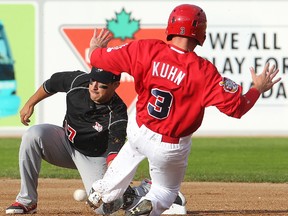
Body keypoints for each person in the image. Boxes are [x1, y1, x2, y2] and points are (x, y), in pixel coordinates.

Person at [86, 4, 281, 216]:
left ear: (171, 25)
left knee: (132, 149)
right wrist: (257, 89)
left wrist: (96, 47)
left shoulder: (145, 49)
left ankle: (102, 191)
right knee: (166, 190)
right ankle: (147, 207)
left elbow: (97, 59)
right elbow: (238, 108)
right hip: (169, 146)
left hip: (139, 127)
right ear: (200, 32)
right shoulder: (204, 71)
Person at [5, 67, 128, 214]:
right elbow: (51, 84)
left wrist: (109, 179)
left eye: (102, 84)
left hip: (93, 158)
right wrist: (30, 103)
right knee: (32, 135)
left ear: (115, 85)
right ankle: (27, 201)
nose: (94, 87)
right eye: (92, 80)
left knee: (103, 209)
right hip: (64, 144)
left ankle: (141, 190)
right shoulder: (78, 82)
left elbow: (114, 149)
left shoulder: (117, 112)